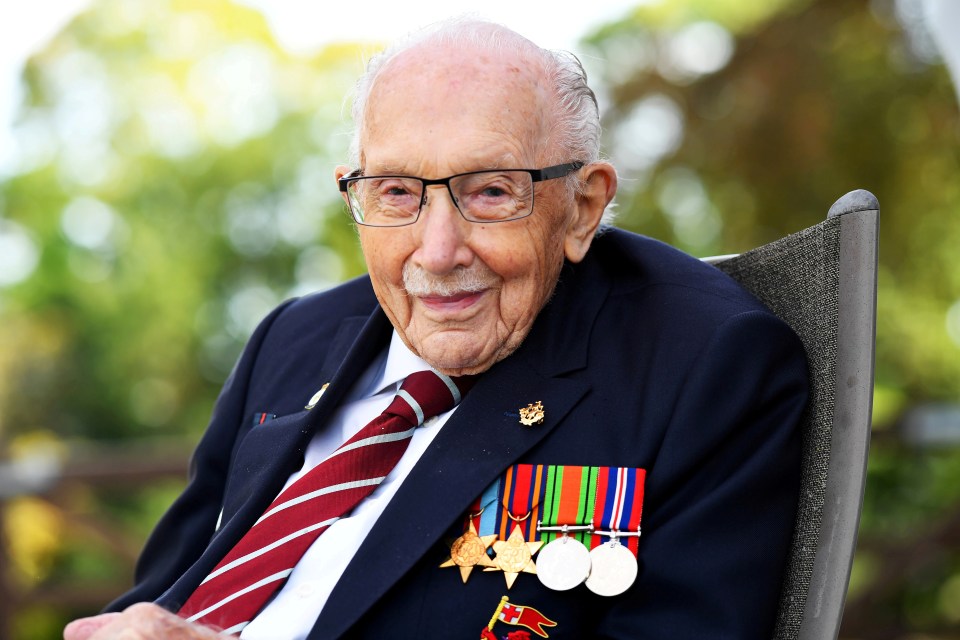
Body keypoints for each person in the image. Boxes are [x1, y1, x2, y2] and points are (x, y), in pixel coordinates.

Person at [64, 18, 807, 640]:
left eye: (490, 192)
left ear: (582, 207)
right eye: (396, 192)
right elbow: (159, 601)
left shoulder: (706, 365)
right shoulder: (290, 340)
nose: (438, 250)